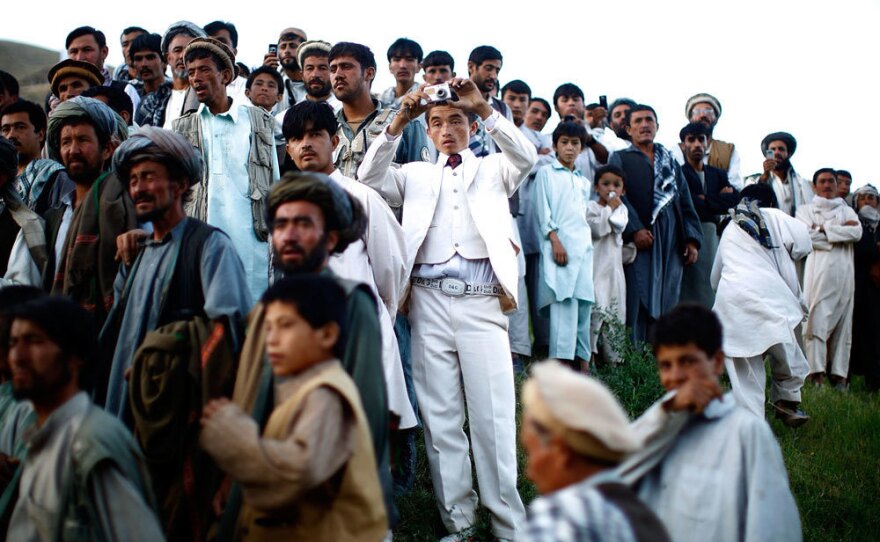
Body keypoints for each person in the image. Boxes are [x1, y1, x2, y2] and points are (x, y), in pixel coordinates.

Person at [358, 77, 536, 541]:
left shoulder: (496, 167)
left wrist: (484, 108)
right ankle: (459, 521)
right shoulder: (415, 175)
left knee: (493, 418)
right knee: (441, 419)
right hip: (429, 303)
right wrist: (399, 120)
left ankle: (507, 524)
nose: (446, 130)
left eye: (456, 120)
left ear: (471, 126)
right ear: (429, 131)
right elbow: (368, 179)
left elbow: (527, 157)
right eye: (436, 123)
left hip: (481, 303)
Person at [232, 172, 395, 529]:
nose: (288, 235)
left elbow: (364, 413)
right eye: (281, 224)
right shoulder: (266, 309)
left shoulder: (351, 303)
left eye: (303, 223)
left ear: (331, 238)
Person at [201, 276, 387, 541]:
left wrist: (232, 436)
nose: (272, 340)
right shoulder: (303, 385)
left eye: (286, 326)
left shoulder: (327, 395)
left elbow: (297, 471)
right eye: (268, 328)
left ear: (327, 334)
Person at [281, 100, 414, 432]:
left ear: (335, 141)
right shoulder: (283, 207)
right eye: (297, 138)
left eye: (315, 134)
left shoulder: (360, 197)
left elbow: (391, 267)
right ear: (288, 149)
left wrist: (378, 312)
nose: (306, 144)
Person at [618, 304, 802, 542]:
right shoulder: (659, 421)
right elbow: (611, 476)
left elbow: (772, 528)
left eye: (687, 361)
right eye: (666, 365)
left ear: (716, 362)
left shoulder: (746, 432)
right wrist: (667, 415)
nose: (675, 376)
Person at [2, 296, 164, 541]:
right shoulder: (41, 439)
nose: (18, 357)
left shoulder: (91, 445)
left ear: (75, 357)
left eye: (34, 341)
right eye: (13, 343)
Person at [172, 37, 280, 302]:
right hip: (200, 245)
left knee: (251, 327)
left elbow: (274, 185)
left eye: (204, 69)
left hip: (251, 246)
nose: (196, 77)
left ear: (226, 75)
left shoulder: (257, 121)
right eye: (191, 71)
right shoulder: (181, 128)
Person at [520, 361, 669, 542]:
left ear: (561, 452)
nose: (530, 472)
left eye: (530, 452)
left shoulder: (558, 515)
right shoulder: (646, 521)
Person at [711, 185, 812, 423]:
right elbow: (803, 244)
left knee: (744, 367)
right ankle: (787, 401)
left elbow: (715, 278)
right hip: (771, 296)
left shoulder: (730, 226)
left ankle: (752, 423)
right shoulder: (775, 215)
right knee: (786, 349)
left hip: (732, 300)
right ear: (773, 203)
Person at [610, 105, 702, 343]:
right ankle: (633, 362)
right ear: (628, 129)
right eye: (638, 121)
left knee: (668, 299)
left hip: (671, 241)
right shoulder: (621, 157)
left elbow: (685, 201)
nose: (644, 125)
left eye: (649, 120)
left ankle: (659, 363)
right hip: (641, 240)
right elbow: (616, 195)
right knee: (637, 297)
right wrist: (636, 229)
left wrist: (692, 240)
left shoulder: (669, 160)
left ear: (657, 126)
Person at [535, 121, 594, 369]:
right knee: (563, 305)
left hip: (583, 249)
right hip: (558, 247)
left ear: (581, 147)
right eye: (564, 142)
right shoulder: (546, 173)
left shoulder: (583, 182)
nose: (570, 148)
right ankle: (560, 372)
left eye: (575, 143)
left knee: (582, 306)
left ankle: (582, 368)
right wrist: (555, 240)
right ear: (555, 145)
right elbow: (543, 211)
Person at [797, 168, 862, 388]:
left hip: (845, 272)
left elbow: (857, 233)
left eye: (831, 181)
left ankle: (840, 375)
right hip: (819, 273)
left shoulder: (847, 210)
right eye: (822, 181)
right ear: (815, 185)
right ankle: (816, 373)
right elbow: (807, 237)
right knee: (816, 319)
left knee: (845, 322)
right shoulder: (805, 210)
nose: (827, 185)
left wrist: (824, 228)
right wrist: (838, 232)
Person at [329, 42, 429, 181]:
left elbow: (421, 184)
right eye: (333, 69)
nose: (338, 75)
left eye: (346, 67)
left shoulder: (404, 122)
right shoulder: (326, 127)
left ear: (369, 73)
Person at [677, 122, 739, 307]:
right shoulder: (679, 172)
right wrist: (716, 199)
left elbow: (733, 201)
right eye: (691, 140)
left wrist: (705, 200)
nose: (696, 144)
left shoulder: (717, 174)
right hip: (687, 233)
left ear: (707, 143)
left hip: (713, 235)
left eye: (701, 139)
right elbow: (685, 203)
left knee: (711, 285)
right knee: (690, 289)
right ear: (683, 145)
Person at [587, 165, 629, 364]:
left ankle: (614, 363)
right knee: (596, 311)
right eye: (605, 184)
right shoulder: (592, 208)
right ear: (596, 187)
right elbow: (597, 230)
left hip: (614, 271)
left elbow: (619, 225)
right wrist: (609, 208)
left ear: (623, 190)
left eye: (616, 184)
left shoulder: (622, 210)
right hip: (596, 269)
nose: (610, 188)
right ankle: (590, 358)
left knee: (615, 313)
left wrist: (614, 208)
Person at [671, 93, 743, 189]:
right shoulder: (677, 150)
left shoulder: (729, 150)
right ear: (690, 118)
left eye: (708, 111)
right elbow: (678, 186)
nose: (703, 115)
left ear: (716, 119)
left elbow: (735, 187)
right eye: (697, 111)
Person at [850, 184, 880, 391]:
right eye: (863, 198)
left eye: (872, 197)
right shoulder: (854, 223)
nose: (868, 201)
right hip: (859, 289)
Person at [744, 132, 812, 217]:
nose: (776, 152)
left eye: (781, 149)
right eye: (772, 149)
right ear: (767, 155)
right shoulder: (754, 180)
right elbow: (748, 201)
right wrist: (764, 177)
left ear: (789, 153)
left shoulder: (801, 183)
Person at [551, 83, 609, 181]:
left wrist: (588, 138)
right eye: (565, 100)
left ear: (584, 106)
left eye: (575, 99)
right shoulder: (547, 139)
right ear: (556, 107)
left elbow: (606, 160)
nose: (571, 103)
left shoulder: (598, 136)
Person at [160, 21, 207, 129]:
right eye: (177, 50)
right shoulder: (153, 101)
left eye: (188, 50)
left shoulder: (209, 98)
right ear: (168, 58)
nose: (182, 56)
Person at [262, 27, 308, 114]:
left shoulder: (316, 81)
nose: (287, 51)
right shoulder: (275, 82)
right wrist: (265, 76)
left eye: (293, 46)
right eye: (283, 46)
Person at [130, 33, 172, 127]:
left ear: (164, 61)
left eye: (150, 57)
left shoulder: (174, 95)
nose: (144, 64)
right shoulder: (130, 94)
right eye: (138, 59)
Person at [379, 38, 423, 109]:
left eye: (409, 60)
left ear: (419, 67)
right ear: (390, 67)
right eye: (397, 60)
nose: (403, 66)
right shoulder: (381, 100)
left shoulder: (426, 98)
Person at [297, 40, 339, 108]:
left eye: (322, 68)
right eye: (310, 68)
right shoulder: (285, 116)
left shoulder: (346, 111)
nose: (315, 75)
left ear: (333, 73)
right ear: (302, 75)